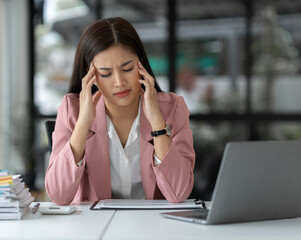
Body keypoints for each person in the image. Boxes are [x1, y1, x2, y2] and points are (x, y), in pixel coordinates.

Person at [45, 17, 195, 205]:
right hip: (95, 228)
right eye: (106, 73)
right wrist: (83, 123)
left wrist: (156, 120)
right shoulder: (72, 109)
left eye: (127, 68)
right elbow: (58, 195)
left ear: (140, 63)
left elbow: (179, 193)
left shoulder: (172, 108)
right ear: (90, 74)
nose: (119, 82)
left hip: (154, 227)